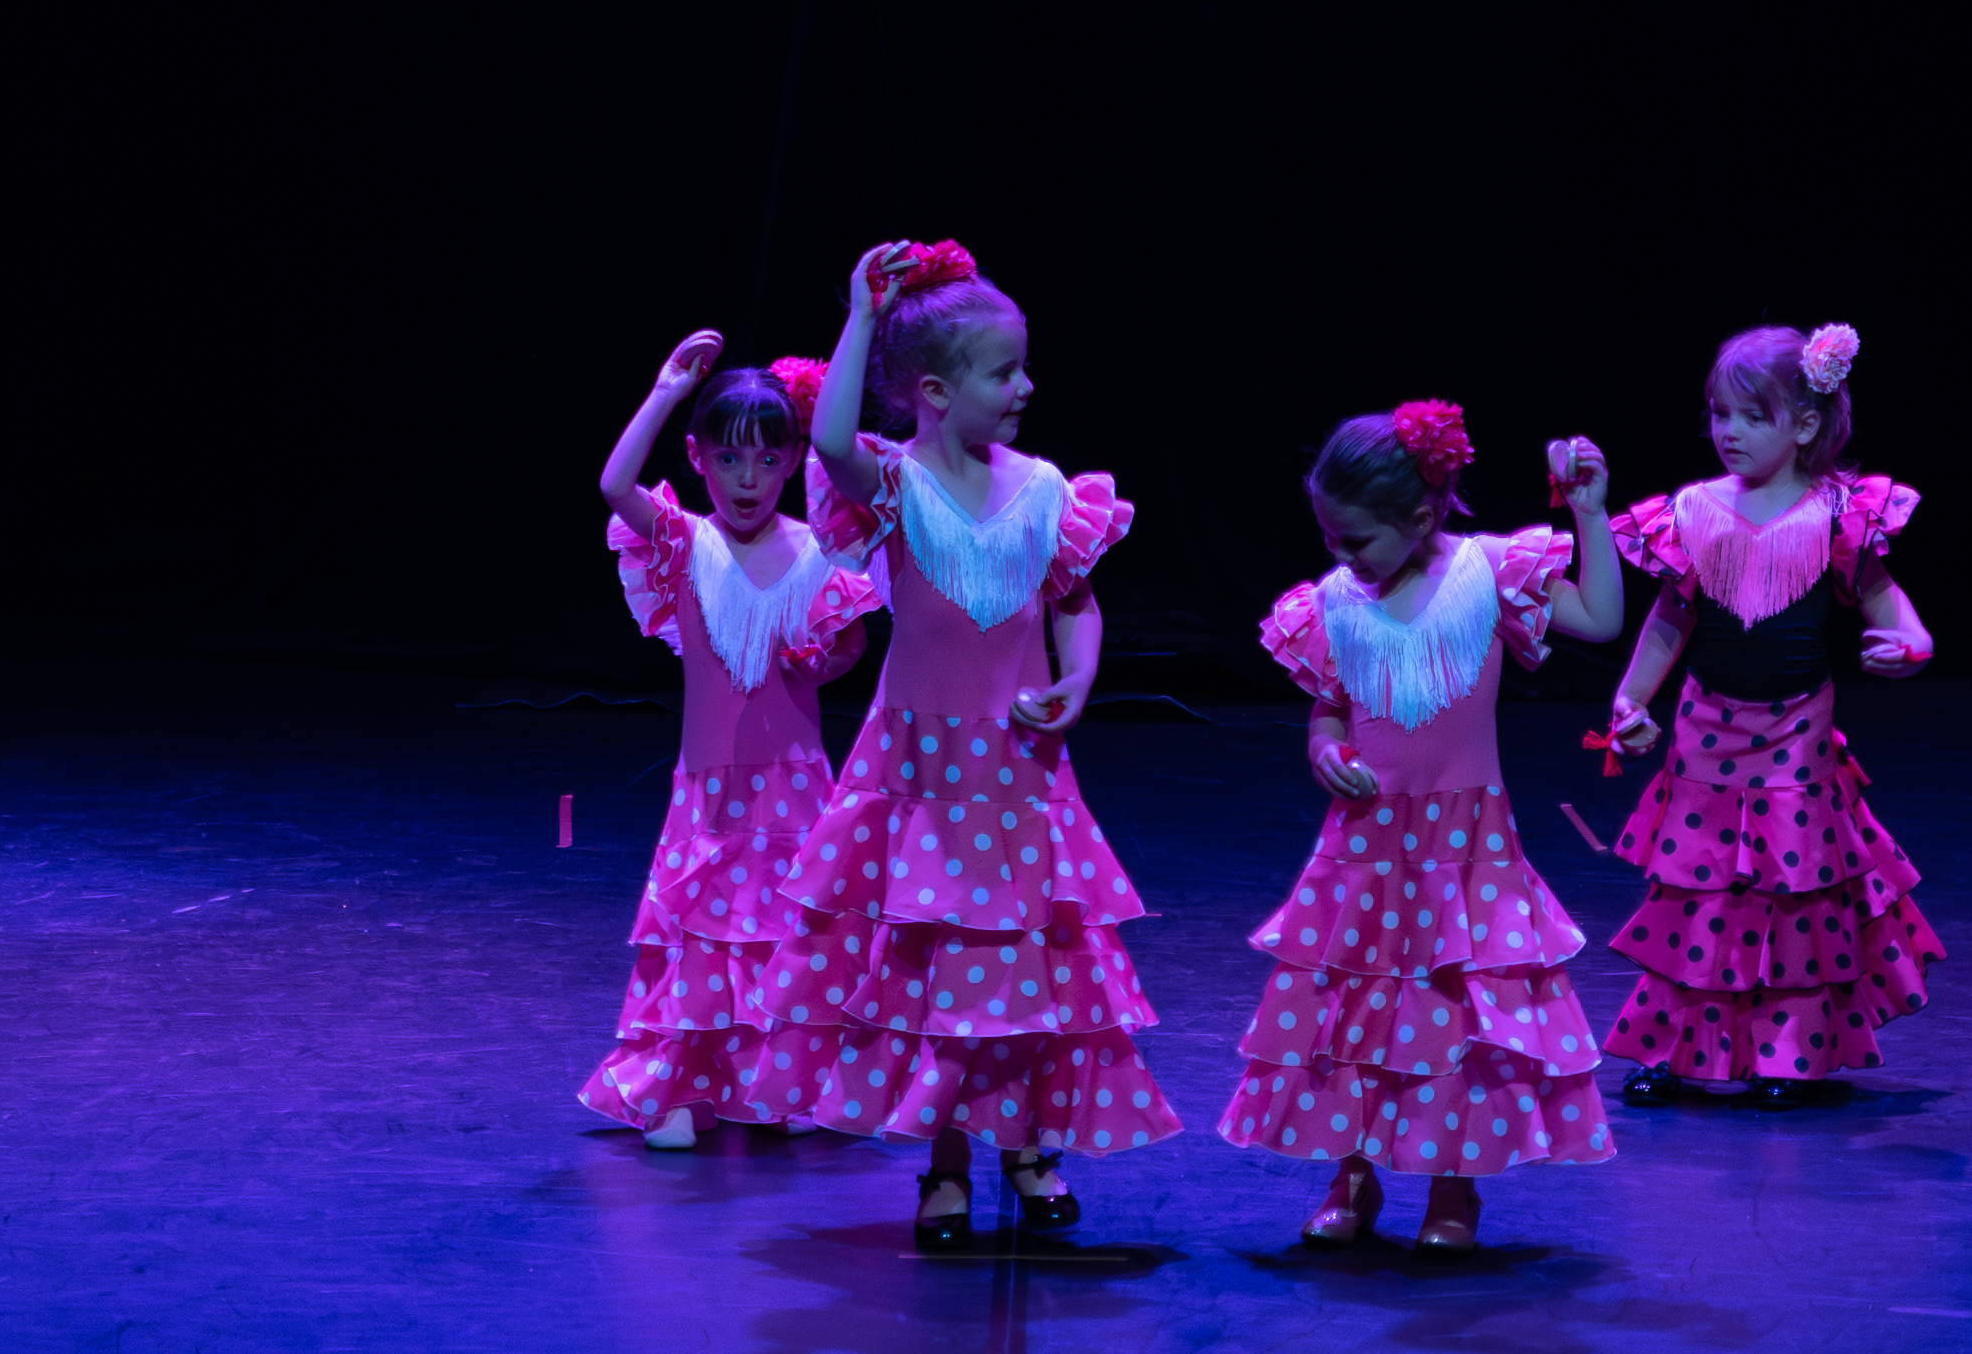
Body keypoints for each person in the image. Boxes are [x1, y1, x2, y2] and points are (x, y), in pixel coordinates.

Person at [773, 240, 1167, 1247]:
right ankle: (946, 1162)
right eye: (1005, 372)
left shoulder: (1046, 489)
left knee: (1027, 967)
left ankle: (1028, 1146)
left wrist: (1077, 677)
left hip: (1020, 776)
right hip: (922, 776)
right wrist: (863, 314)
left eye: (1025, 366)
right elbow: (829, 438)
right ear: (937, 393)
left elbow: (1074, 603)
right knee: (939, 973)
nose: (1026, 387)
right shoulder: (896, 483)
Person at [1224, 401, 1629, 1247]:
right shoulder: (1331, 604)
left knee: (1457, 1018)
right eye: (1329, 537)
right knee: (1356, 1018)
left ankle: (1454, 1190)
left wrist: (1589, 514)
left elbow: (1600, 619)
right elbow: (1330, 709)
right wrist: (1324, 750)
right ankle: (1353, 1178)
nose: (1342, 554)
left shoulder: (1490, 573)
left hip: (1467, 849)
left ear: (1418, 516)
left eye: (1356, 538)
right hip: (1367, 852)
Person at [1598, 322, 1941, 1105]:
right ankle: (1676, 1049)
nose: (1730, 431)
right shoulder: (1692, 512)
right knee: (1698, 894)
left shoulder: (1839, 515)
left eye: (1754, 416)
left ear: (1806, 425)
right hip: (1705, 733)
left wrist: (1913, 645)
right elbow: (1670, 618)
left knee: (1789, 894)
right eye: (1721, 414)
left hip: (1795, 735)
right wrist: (1630, 699)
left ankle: (1787, 1054)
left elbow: (1887, 602)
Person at [579, 339, 881, 1148]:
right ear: (698, 458)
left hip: (795, 788)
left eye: (768, 459)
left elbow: (847, 646)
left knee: (790, 933)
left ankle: (788, 1079)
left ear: (793, 460)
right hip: (710, 791)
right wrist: (664, 390)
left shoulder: (819, 554)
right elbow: (615, 486)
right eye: (729, 458)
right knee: (703, 936)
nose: (748, 478)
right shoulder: (685, 544)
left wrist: (820, 658)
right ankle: (684, 1086)